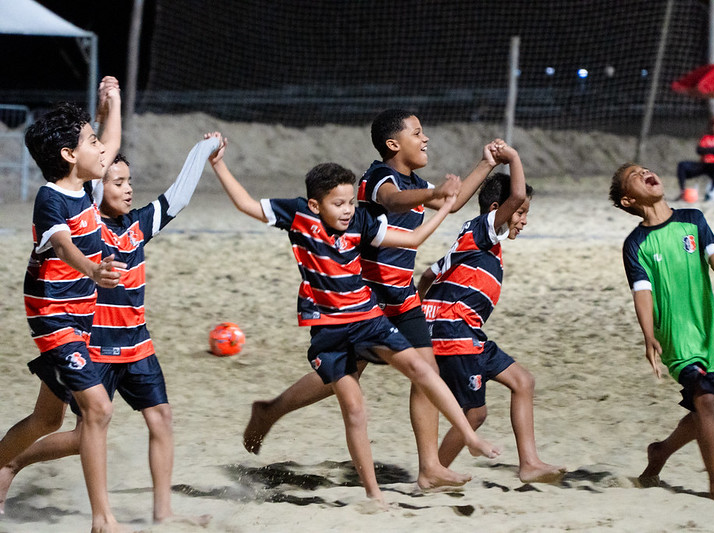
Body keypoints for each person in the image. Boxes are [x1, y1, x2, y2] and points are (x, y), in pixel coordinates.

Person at [209, 137, 500, 504]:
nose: (425, 138)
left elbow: (420, 230)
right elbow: (248, 204)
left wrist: (470, 177)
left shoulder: (377, 207)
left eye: (349, 203)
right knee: (353, 403)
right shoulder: (376, 180)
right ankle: (276, 414)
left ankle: (442, 457)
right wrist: (218, 163)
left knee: (425, 371)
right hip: (345, 316)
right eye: (416, 132)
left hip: (381, 311)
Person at [0, 135, 221, 526]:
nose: (128, 188)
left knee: (161, 418)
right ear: (97, 187)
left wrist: (204, 149)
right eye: (117, 182)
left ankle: (163, 515)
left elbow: (179, 197)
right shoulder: (86, 225)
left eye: (130, 181)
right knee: (69, 428)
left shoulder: (137, 225)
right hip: (91, 343)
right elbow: (66, 240)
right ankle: (14, 461)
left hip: (137, 342)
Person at [0, 79, 129, 533]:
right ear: (69, 156)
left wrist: (109, 105)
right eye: (90, 142)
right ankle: (102, 520)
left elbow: (110, 145)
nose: (104, 150)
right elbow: (62, 246)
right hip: (52, 315)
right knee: (98, 410)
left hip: (81, 315)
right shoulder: (50, 198)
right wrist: (93, 271)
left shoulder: (87, 187)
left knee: (46, 418)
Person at [417, 144, 566, 483]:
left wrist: (419, 317)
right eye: (520, 212)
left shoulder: (471, 241)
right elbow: (513, 196)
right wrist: (513, 157)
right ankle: (433, 471)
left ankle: (529, 463)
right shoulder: (483, 229)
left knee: (522, 381)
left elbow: (427, 275)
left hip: (464, 333)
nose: (524, 219)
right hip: (455, 332)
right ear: (497, 210)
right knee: (475, 413)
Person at [609, 162, 714, 501]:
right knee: (706, 402)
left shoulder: (693, 219)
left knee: (707, 410)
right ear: (629, 200)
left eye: (645, 169)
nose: (644, 173)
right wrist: (648, 335)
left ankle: (659, 453)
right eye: (634, 175)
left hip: (706, 333)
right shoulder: (636, 244)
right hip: (676, 340)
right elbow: (642, 292)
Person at [676, 116, 714, 202]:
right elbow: (699, 150)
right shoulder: (706, 137)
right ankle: (682, 192)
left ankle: (710, 192)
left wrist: (708, 150)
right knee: (682, 165)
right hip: (704, 164)